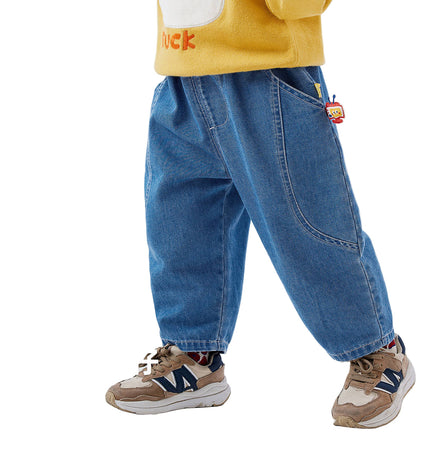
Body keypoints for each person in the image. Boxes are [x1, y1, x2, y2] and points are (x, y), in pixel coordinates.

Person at [105, 0, 415, 428]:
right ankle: (195, 355)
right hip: (182, 71)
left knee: (307, 223)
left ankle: (378, 351)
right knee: (180, 224)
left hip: (268, 72)